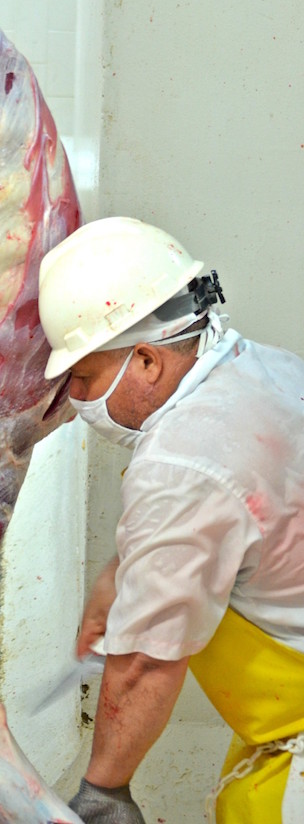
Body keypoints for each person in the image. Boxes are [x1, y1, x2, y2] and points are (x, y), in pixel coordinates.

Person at [37, 217, 304, 824]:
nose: (77, 400)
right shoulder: (272, 371)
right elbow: (240, 520)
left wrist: (104, 790)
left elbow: (146, 662)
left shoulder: (181, 462)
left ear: (146, 360)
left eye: (83, 377)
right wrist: (123, 572)